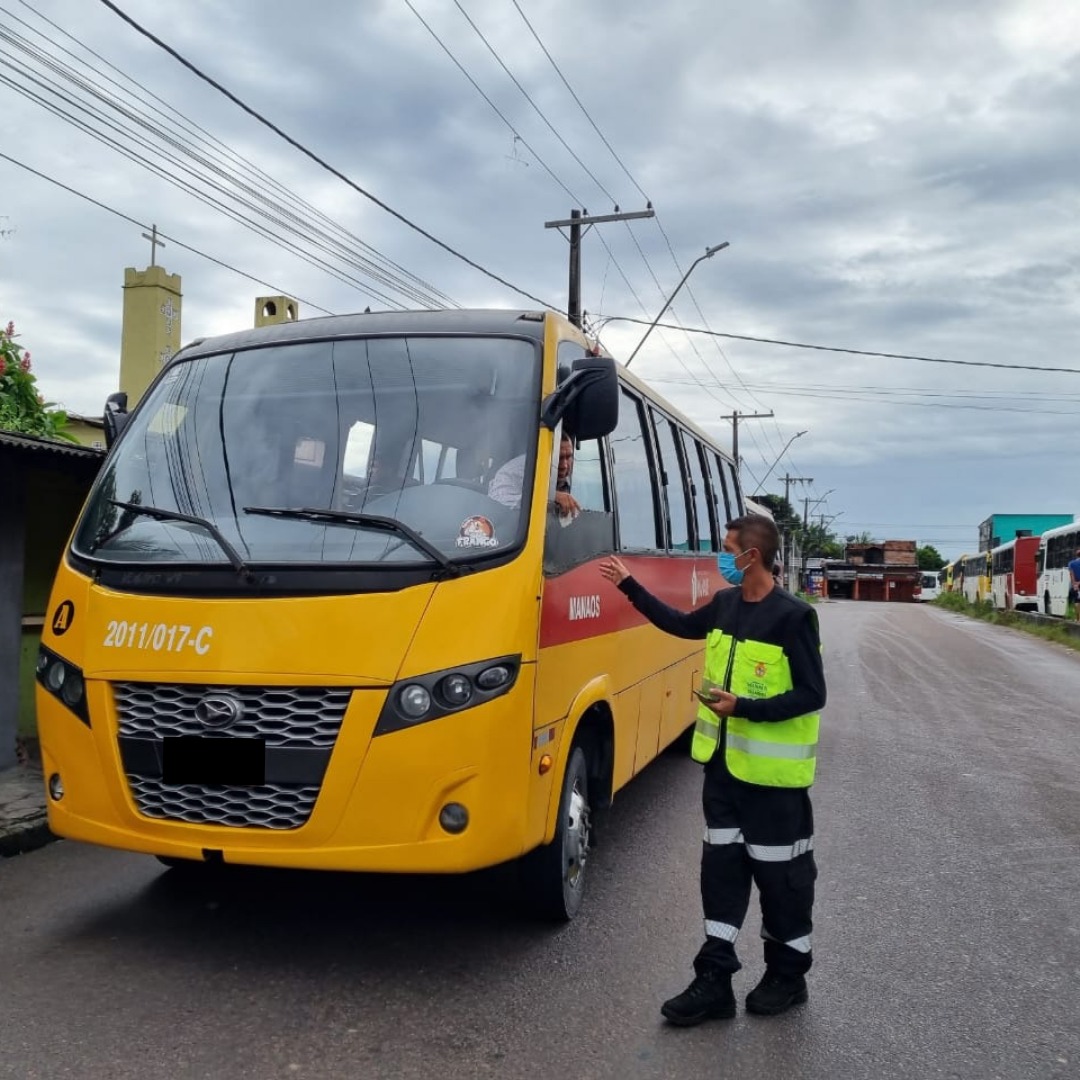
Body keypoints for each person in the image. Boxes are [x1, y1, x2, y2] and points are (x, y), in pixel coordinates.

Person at [599, 513, 826, 1026]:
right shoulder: (725, 605)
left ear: (752, 556)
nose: (721, 557)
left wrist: (741, 707)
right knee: (720, 876)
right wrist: (628, 585)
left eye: (728, 549)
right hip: (722, 773)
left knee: (781, 880)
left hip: (774, 785)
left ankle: (787, 976)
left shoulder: (794, 616)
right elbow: (680, 625)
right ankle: (715, 980)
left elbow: (814, 695)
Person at [488, 432, 580, 517]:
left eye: (568, 457)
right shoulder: (517, 469)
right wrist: (549, 496)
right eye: (559, 458)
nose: (564, 465)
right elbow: (497, 501)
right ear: (542, 453)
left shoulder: (576, 480)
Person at [1068, 547, 1080, 621]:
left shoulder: (1071, 563)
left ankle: (1077, 618)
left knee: (1077, 601)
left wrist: (1075, 584)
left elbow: (1071, 575)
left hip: (1076, 584)